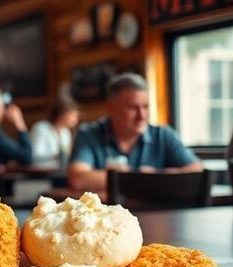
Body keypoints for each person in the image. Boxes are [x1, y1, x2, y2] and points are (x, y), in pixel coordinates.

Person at [68, 73, 202, 192]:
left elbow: (197, 171)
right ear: (110, 108)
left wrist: (154, 174)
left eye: (146, 107)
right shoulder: (89, 134)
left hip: (159, 215)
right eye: (133, 107)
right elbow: (78, 179)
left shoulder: (163, 135)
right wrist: (142, 178)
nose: (142, 115)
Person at [30, 96, 80, 167]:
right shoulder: (41, 128)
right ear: (61, 114)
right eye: (73, 115)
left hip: (59, 171)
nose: (75, 119)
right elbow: (34, 155)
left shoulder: (65, 132)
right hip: (41, 172)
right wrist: (59, 156)